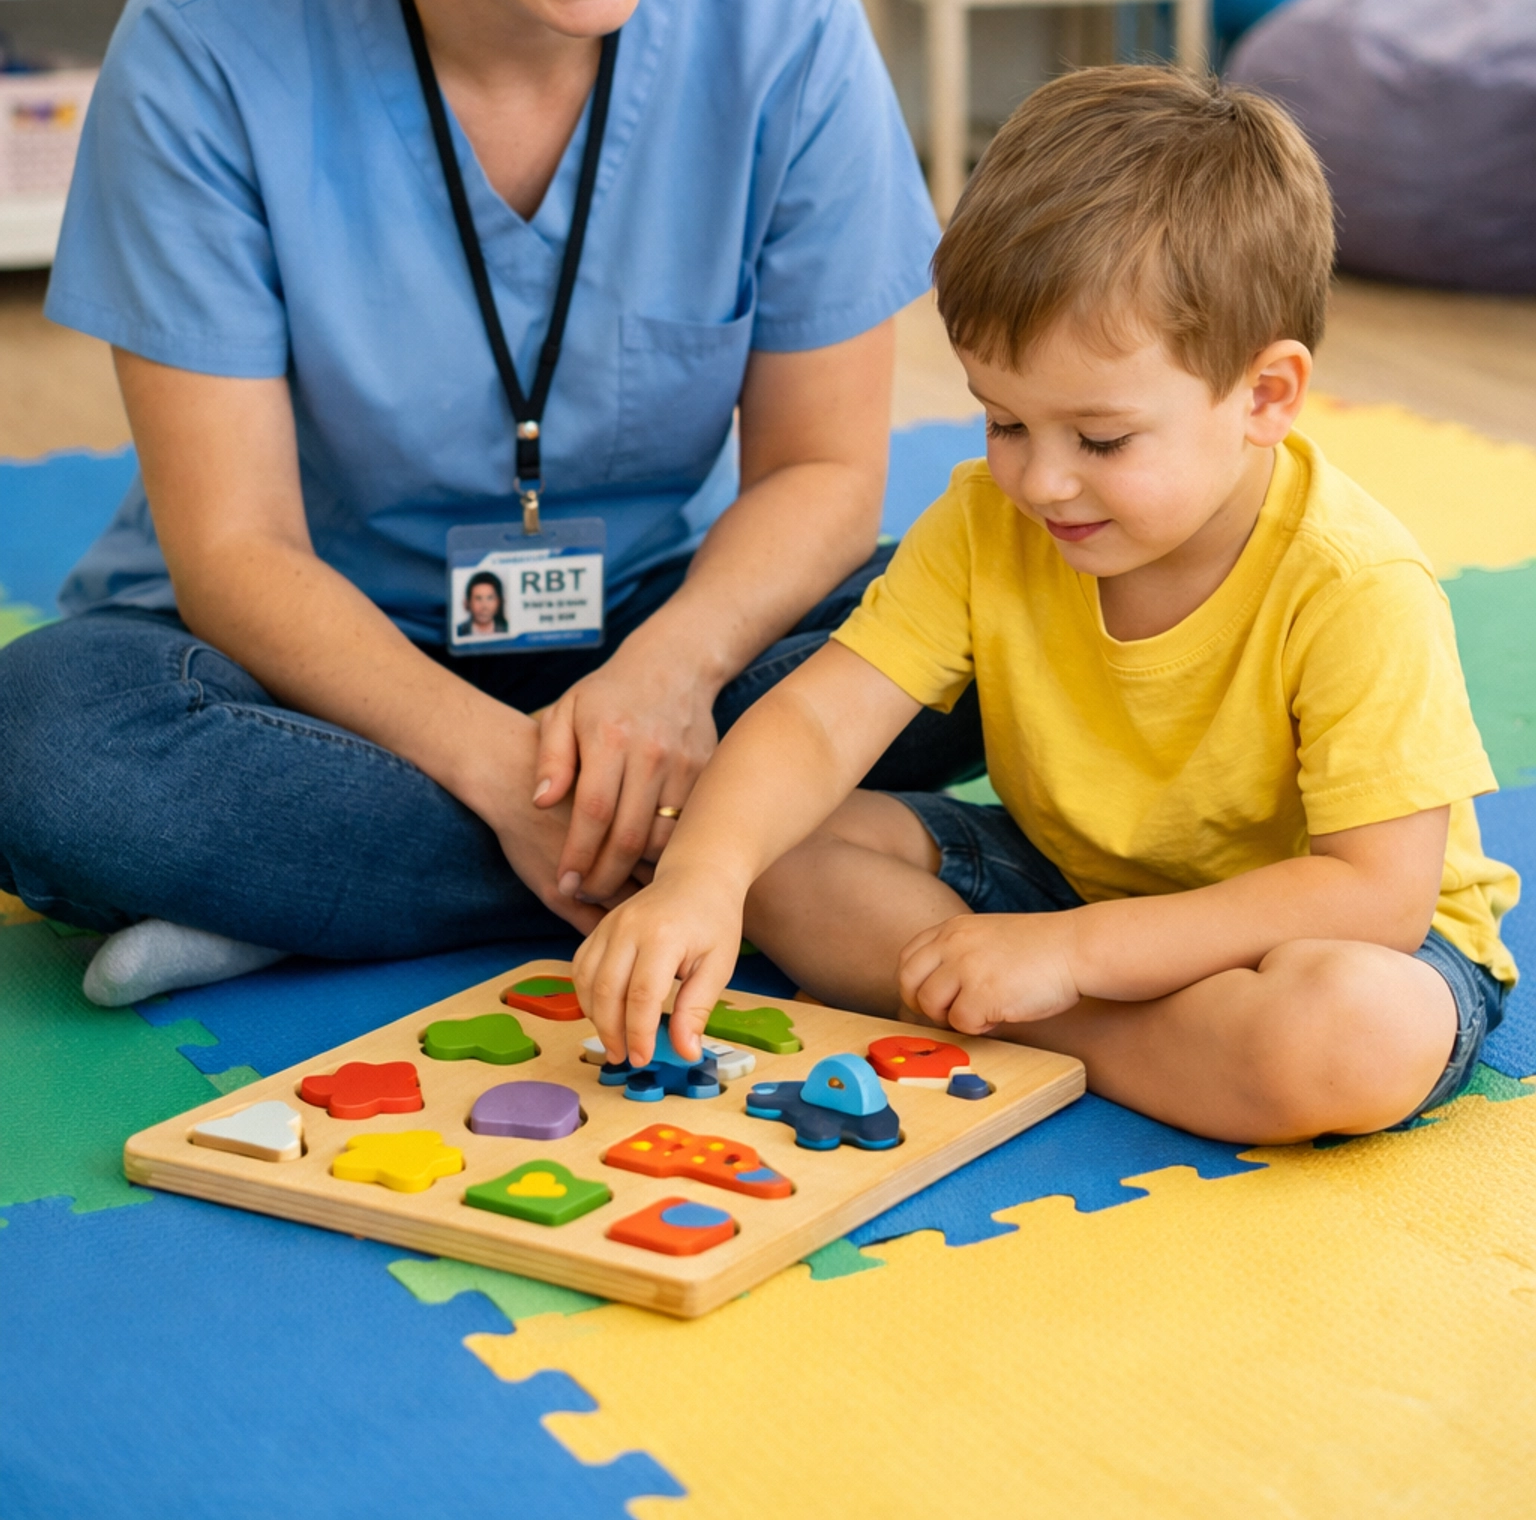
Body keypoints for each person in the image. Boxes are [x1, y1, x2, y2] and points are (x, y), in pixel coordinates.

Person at [0, 0, 972, 1009]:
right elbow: (238, 549)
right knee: (53, 751)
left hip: (667, 644)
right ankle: (737, 864)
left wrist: (666, 678)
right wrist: (508, 773)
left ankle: (333, 894)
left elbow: (823, 476)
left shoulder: (787, 31)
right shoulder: (206, 49)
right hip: (313, 684)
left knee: (1031, 609)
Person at [574, 67, 1520, 1144]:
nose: (1041, 482)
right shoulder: (992, 520)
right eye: (1003, 422)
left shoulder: (1353, 582)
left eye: (1101, 440)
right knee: (772, 847)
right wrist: (702, 878)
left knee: (1350, 1035)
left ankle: (1061, 1034)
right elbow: (818, 718)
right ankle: (1092, 1022)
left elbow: (1373, 898)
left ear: (1264, 397)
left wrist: (1069, 963)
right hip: (1069, 880)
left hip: (1314, 935)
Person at [455, 572, 509, 642]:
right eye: (478, 598)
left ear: (499, 602)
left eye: (490, 598)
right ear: (468, 603)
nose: (484, 606)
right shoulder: (458, 631)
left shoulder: (507, 629)